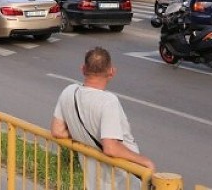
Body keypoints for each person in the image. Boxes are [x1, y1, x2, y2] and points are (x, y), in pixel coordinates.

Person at [51, 47, 155, 188]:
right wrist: (145, 162)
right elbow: (110, 147)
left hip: (94, 182)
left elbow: (57, 131)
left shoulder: (69, 92)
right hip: (121, 182)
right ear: (111, 72)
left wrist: (80, 133)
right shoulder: (108, 101)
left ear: (83, 69)